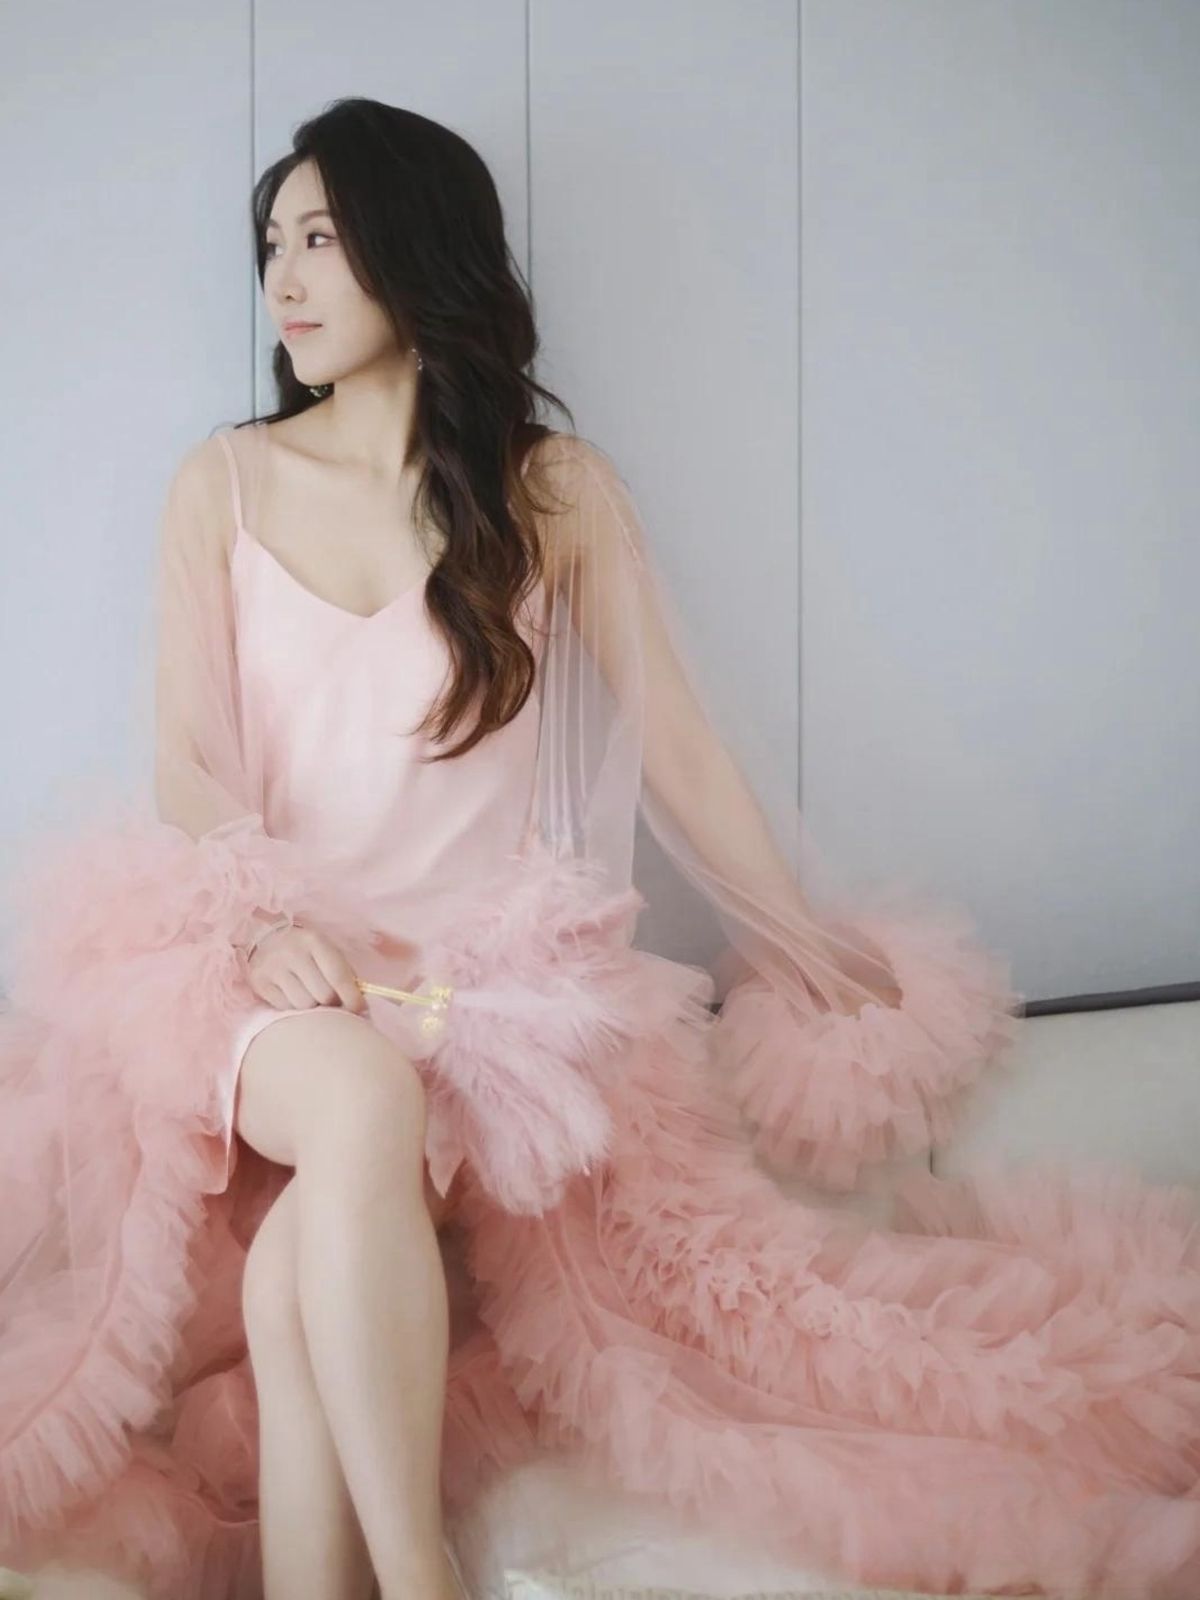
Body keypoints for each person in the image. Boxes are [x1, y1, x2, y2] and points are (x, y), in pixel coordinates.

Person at [1, 96, 1197, 1600]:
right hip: (262, 971)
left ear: (413, 250)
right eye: (272, 245)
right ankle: (427, 1581)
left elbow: (679, 745)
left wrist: (797, 933)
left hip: (474, 1001)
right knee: (355, 1099)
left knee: (310, 1261)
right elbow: (187, 760)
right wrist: (257, 923)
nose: (283, 280)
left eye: (320, 239)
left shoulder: (551, 492)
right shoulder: (224, 483)